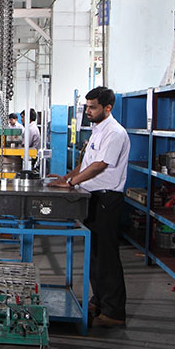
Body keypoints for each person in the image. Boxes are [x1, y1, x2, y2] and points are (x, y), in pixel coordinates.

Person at [48, 87, 130, 328]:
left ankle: (114, 312)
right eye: (87, 107)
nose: (88, 112)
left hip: (107, 199)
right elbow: (86, 164)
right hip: (93, 196)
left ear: (108, 108)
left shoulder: (114, 132)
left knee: (106, 255)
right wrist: (65, 178)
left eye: (93, 107)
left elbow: (99, 166)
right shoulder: (97, 130)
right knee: (95, 253)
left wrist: (71, 183)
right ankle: (99, 300)